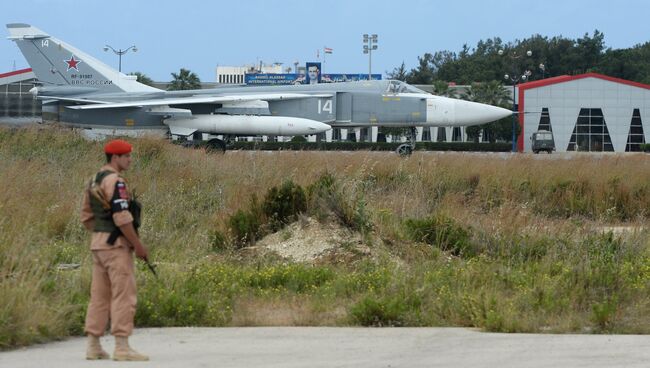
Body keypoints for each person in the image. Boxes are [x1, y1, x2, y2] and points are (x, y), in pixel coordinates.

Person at [80, 139, 149, 361]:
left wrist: (101, 233)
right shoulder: (116, 182)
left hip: (98, 244)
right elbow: (121, 216)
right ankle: (121, 346)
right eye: (126, 156)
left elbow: (87, 217)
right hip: (116, 246)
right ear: (115, 158)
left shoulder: (94, 180)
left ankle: (93, 345)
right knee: (123, 295)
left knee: (99, 296)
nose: (129, 159)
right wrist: (137, 244)